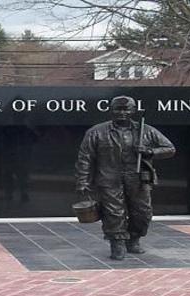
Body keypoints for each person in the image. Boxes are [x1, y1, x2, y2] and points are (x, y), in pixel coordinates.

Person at [75, 95, 176, 260]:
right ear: (111, 110)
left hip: (138, 178)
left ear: (133, 111)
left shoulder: (146, 131)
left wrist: (149, 152)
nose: (122, 112)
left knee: (143, 212)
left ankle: (134, 239)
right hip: (109, 178)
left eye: (126, 109)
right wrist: (82, 181)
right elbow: (85, 158)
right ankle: (117, 243)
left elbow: (170, 148)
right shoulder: (96, 132)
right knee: (114, 213)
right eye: (118, 109)